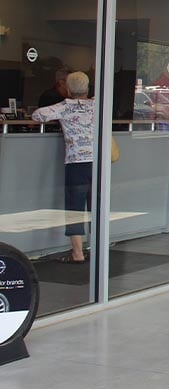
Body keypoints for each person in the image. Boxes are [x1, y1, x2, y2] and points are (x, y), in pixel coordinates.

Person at [32, 71, 94, 263]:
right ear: (87, 88)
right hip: (98, 162)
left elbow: (37, 115)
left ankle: (78, 253)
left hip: (76, 163)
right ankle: (97, 247)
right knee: (97, 206)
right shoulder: (97, 105)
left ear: (67, 89)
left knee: (75, 208)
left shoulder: (64, 107)